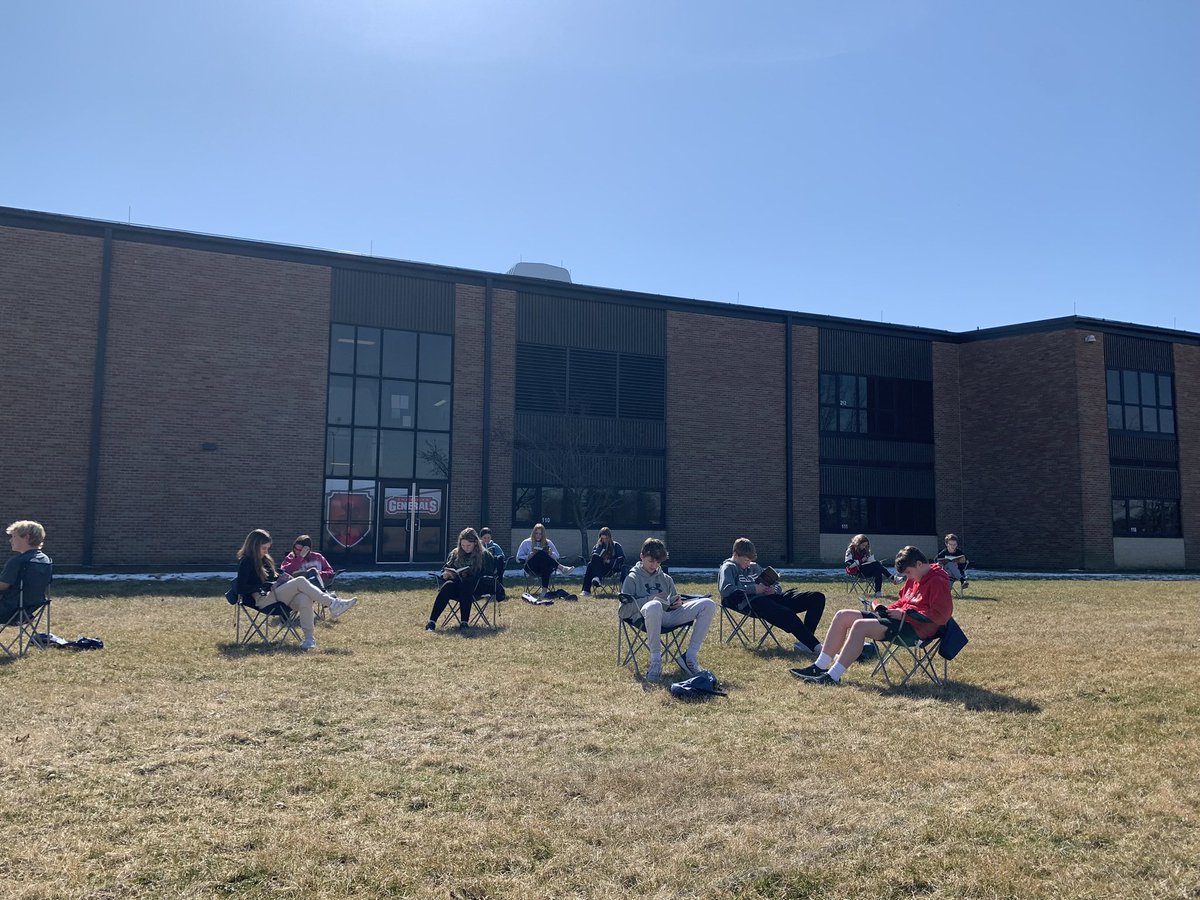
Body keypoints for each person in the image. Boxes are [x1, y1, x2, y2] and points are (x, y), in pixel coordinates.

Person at [795, 545, 953, 686]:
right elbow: (903, 601)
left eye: (909, 573)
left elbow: (941, 616)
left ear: (919, 564)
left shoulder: (937, 581)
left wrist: (905, 615)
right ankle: (819, 666)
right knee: (842, 615)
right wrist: (886, 609)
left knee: (859, 626)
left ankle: (833, 676)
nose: (908, 578)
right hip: (899, 619)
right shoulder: (916, 576)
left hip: (916, 629)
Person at [236, 528, 358, 650]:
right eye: (264, 548)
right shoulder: (246, 561)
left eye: (268, 548)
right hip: (263, 599)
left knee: (304, 598)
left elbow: (272, 577)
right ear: (254, 546)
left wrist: (281, 579)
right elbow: (241, 588)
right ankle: (333, 603)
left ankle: (309, 640)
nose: (266, 551)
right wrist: (266, 585)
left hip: (276, 595)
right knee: (300, 581)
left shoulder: (265, 559)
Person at [621, 538, 715, 681]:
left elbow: (673, 599)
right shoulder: (632, 578)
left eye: (658, 562)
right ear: (642, 556)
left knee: (708, 604)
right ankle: (656, 661)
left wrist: (678, 603)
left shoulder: (666, 578)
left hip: (669, 616)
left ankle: (689, 657)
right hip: (645, 618)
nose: (655, 565)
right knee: (654, 605)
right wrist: (651, 599)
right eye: (651, 561)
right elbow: (623, 611)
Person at [718, 537, 826, 656]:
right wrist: (754, 589)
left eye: (750, 560)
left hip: (771, 597)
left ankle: (805, 643)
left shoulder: (754, 567)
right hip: (752, 603)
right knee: (786, 613)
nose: (748, 564)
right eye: (745, 560)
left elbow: (777, 585)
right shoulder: (728, 567)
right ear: (735, 554)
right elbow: (726, 590)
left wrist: (773, 590)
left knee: (817, 598)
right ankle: (816, 646)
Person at [426, 527, 494, 631]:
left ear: (475, 543)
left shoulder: (484, 555)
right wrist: (447, 574)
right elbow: (445, 568)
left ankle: (464, 622)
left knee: (466, 584)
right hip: (457, 586)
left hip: (477, 588)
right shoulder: (455, 553)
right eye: (462, 545)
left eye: (468, 545)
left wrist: (471, 574)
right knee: (448, 585)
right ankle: (432, 622)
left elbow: (489, 575)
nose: (465, 548)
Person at [0, 520, 52, 627]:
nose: (10, 540)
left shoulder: (18, 561)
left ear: (26, 537)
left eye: (14, 536)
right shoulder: (45, 560)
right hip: (29, 611)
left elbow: (3, 585)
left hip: (8, 611)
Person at [515, 523, 571, 598]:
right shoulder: (526, 542)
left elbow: (557, 556)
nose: (538, 535)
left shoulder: (548, 542)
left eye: (540, 534)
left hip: (545, 568)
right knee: (541, 553)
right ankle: (562, 568)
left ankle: (544, 591)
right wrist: (529, 556)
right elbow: (518, 558)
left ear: (543, 534)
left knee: (544, 557)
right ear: (533, 533)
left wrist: (551, 553)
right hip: (531, 567)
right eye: (536, 533)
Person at [581, 526, 625, 597]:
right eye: (602, 538)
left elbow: (621, 559)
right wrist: (599, 547)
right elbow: (593, 558)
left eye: (606, 538)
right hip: (599, 568)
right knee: (593, 559)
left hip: (610, 569)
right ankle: (596, 578)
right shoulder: (597, 546)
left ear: (609, 537)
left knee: (590, 565)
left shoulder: (616, 545)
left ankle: (586, 590)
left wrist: (609, 561)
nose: (604, 540)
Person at [478, 527, 507, 601]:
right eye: (485, 538)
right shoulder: (479, 547)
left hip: (494, 565)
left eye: (488, 537)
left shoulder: (495, 546)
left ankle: (499, 581)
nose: (487, 539)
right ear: (481, 538)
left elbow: (502, 556)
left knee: (499, 558)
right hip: (483, 566)